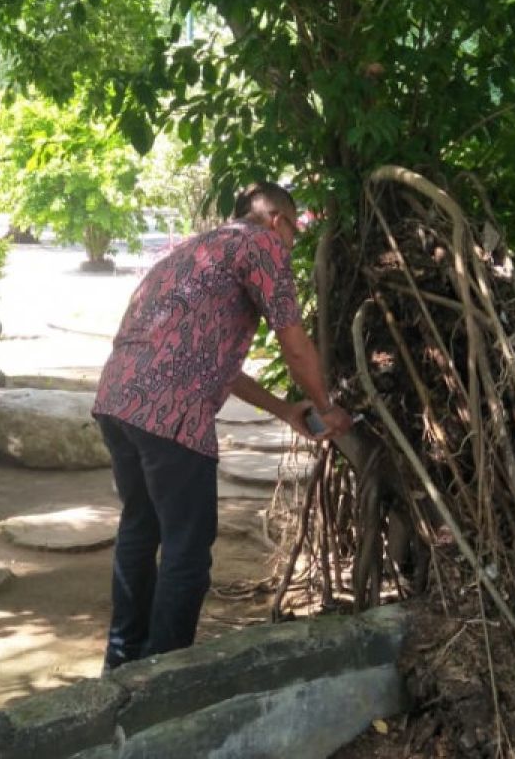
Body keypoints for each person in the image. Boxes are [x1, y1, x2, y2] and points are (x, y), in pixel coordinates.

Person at [92, 181, 354, 670]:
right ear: (277, 220)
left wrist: (284, 409)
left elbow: (215, 362)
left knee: (140, 526)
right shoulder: (261, 245)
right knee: (187, 552)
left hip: (117, 399)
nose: (291, 243)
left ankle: (122, 662)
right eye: (294, 231)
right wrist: (326, 405)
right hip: (170, 414)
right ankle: (164, 675)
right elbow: (294, 345)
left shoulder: (193, 251)